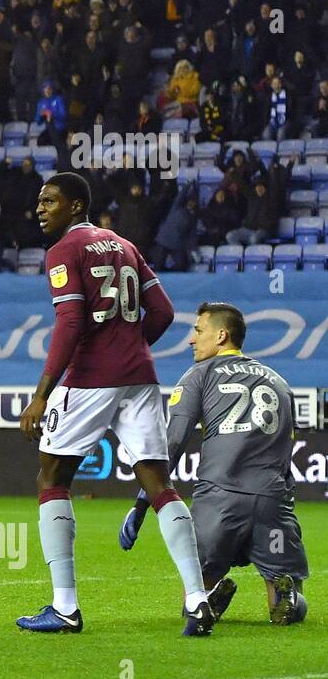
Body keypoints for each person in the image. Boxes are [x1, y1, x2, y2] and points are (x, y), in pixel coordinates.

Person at [16, 173, 214, 636]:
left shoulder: (63, 252)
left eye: (50, 201)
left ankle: (65, 608)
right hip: (139, 378)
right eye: (39, 201)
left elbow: (69, 321)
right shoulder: (124, 246)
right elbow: (163, 311)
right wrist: (128, 347)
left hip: (90, 381)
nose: (40, 208)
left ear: (77, 206)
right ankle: (196, 599)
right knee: (159, 484)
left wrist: (42, 394)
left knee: (51, 476)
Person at [120, 303, 308, 626]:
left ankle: (209, 593)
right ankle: (287, 595)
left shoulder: (198, 376)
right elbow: (287, 450)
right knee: (286, 602)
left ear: (221, 335)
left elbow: (172, 444)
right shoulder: (280, 383)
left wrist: (140, 505)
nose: (192, 340)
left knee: (192, 601)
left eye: (198, 331)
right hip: (272, 503)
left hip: (219, 502)